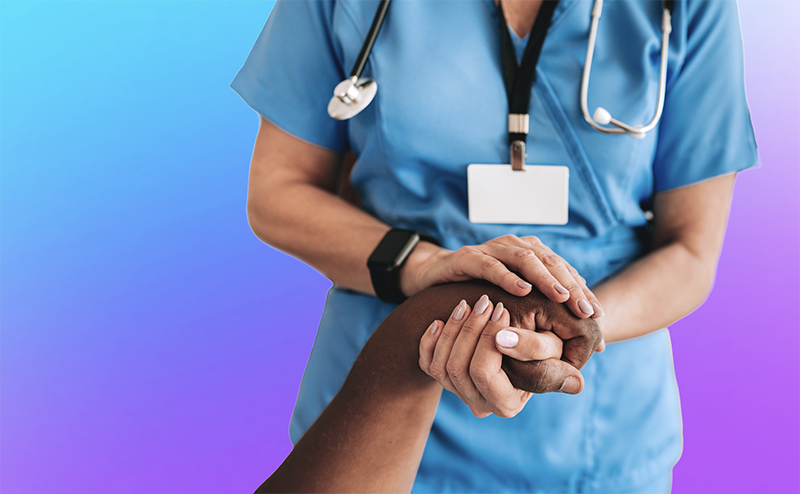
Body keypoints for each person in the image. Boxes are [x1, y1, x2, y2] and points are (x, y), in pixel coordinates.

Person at [232, 0, 758, 491]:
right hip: (381, 409)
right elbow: (279, 192)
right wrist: (425, 266)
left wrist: (566, 329)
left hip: (597, 434)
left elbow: (690, 251)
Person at [256, 287, 599, 494]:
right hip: (380, 353)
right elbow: (279, 195)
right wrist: (413, 264)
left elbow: (657, 257)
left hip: (589, 441)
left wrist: (570, 322)